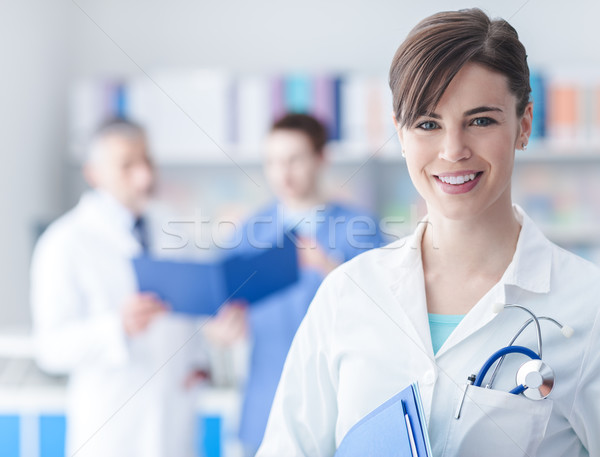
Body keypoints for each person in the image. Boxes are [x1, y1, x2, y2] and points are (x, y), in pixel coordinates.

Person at [256, 8, 600, 457]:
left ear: (525, 124)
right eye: (427, 124)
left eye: (481, 120)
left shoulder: (587, 307)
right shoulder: (348, 295)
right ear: (400, 135)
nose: (453, 150)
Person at [204, 113, 384, 456]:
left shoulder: (359, 227)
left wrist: (327, 266)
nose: (282, 173)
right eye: (272, 161)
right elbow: (217, 314)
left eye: (294, 160)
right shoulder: (250, 230)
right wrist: (221, 330)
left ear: (321, 158)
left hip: (338, 402)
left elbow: (384, 314)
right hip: (264, 402)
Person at [30, 119, 207, 457]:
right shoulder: (65, 242)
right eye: (127, 165)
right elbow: (50, 349)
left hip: (174, 424)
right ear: (93, 173)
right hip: (112, 432)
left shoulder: (172, 227)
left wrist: (200, 360)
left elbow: (190, 312)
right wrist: (116, 328)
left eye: (147, 161)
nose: (144, 177)